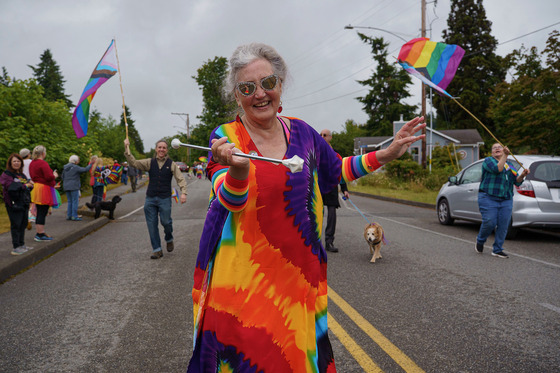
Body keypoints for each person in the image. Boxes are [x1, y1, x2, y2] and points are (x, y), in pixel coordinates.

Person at [186, 42, 425, 372]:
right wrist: (238, 169)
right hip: (244, 287)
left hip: (298, 283)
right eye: (247, 87)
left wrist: (384, 155)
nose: (260, 94)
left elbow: (335, 169)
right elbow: (229, 199)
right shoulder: (227, 138)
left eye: (268, 83)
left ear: (280, 86)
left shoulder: (303, 132)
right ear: (237, 96)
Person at [123, 138, 188, 259]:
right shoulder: (149, 162)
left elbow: (180, 178)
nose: (161, 149)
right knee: (151, 224)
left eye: (164, 147)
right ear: (156, 149)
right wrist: (127, 148)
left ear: (167, 150)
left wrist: (183, 193)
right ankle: (157, 249)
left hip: (165, 198)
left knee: (166, 222)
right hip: (150, 198)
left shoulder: (171, 164)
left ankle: (169, 238)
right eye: (159, 147)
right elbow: (134, 163)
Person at [475, 144, 529, 258]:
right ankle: (480, 240)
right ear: (492, 152)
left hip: (506, 199)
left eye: (499, 147)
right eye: (494, 148)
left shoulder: (509, 165)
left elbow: (517, 181)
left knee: (503, 225)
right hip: (488, 197)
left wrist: (523, 175)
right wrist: (505, 155)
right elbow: (498, 169)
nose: (497, 149)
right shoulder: (488, 161)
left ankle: (497, 249)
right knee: (490, 222)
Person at [320, 129, 349, 253]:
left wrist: (344, 189)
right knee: (316, 214)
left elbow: (340, 172)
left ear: (330, 137)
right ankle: (313, 242)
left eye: (325, 135)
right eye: (320, 135)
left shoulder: (335, 154)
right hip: (319, 188)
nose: (322, 136)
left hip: (331, 188)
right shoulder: (315, 152)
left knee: (332, 215)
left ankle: (329, 242)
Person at [1, 153, 33, 255]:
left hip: (24, 202)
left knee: (23, 224)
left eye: (18, 161)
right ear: (10, 163)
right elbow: (11, 187)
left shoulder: (21, 175)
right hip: (13, 204)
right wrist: (25, 185)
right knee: (16, 224)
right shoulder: (6, 175)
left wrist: (30, 185)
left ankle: (22, 244)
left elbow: (27, 186)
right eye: (14, 161)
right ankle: (16, 246)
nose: (16, 163)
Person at [29, 145, 60, 241]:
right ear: (43, 153)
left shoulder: (32, 163)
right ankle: (40, 234)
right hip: (44, 189)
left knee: (40, 211)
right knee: (42, 211)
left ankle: (40, 232)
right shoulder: (43, 163)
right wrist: (54, 175)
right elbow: (49, 177)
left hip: (37, 187)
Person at [61, 155, 92, 221]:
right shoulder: (75, 167)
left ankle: (69, 215)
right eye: (78, 160)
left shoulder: (65, 168)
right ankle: (74, 216)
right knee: (75, 201)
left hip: (66, 186)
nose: (78, 161)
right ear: (75, 161)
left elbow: (62, 177)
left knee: (70, 201)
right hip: (74, 186)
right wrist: (91, 164)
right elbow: (85, 169)